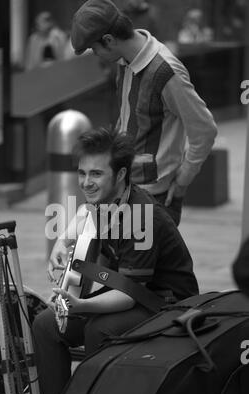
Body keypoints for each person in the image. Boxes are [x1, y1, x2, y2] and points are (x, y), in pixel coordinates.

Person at [33, 127, 199, 394]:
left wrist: (83, 304)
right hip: (125, 288)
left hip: (165, 303)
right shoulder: (105, 199)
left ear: (120, 175)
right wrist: (63, 241)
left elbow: (128, 296)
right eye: (82, 173)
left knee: (99, 329)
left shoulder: (141, 218)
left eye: (96, 174)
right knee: (46, 325)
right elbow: (84, 212)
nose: (86, 183)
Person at [70, 0, 218, 226]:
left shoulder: (166, 71)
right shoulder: (125, 59)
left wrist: (182, 181)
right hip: (123, 192)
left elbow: (204, 130)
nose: (95, 54)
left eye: (94, 48)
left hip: (153, 198)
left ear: (109, 40)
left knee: (138, 263)